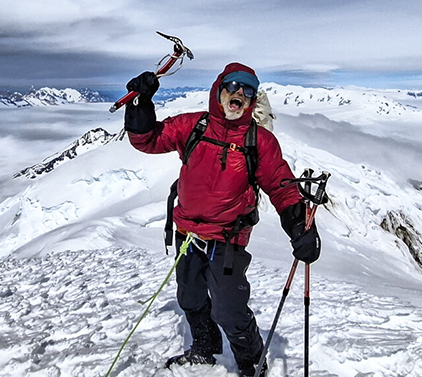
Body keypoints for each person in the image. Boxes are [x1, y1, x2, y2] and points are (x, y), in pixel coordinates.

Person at [124, 62, 321, 376]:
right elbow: (147, 140)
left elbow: (281, 186)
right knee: (189, 298)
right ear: (219, 89)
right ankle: (205, 349)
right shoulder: (194, 126)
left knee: (229, 310)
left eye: (248, 90)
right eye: (233, 85)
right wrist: (140, 102)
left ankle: (251, 363)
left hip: (228, 237)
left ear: (253, 99)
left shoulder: (260, 142)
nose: (239, 93)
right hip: (187, 231)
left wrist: (299, 227)